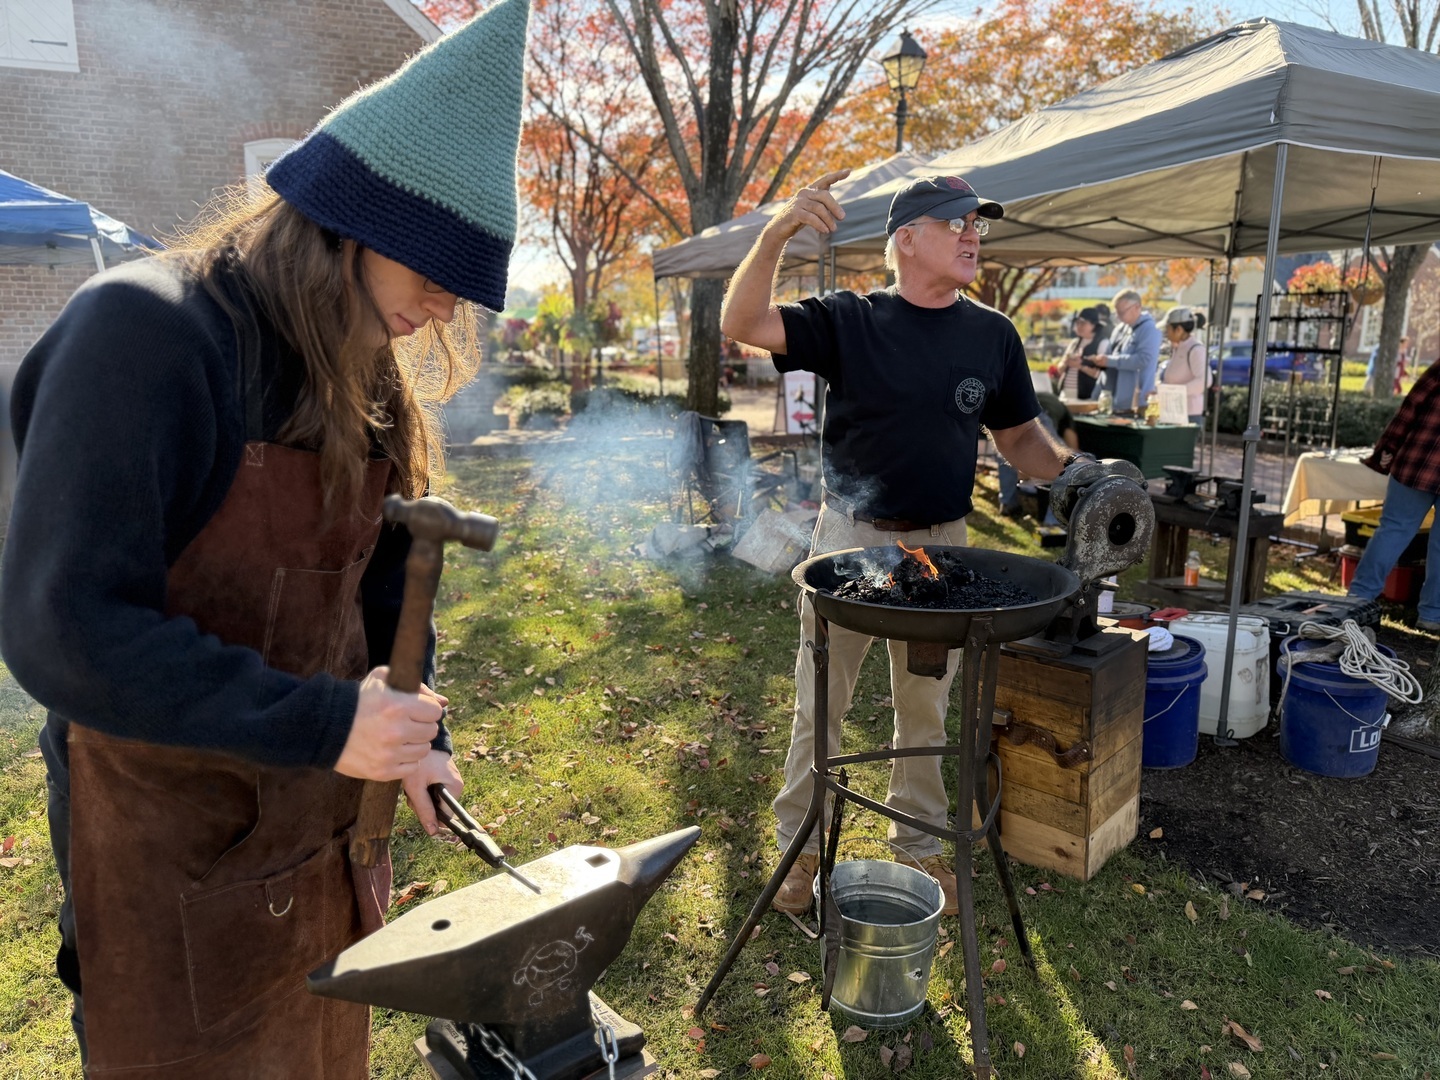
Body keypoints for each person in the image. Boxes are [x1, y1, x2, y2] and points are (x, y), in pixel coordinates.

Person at [0, 3, 529, 1076]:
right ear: (356, 215)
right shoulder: (143, 334)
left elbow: (378, 596)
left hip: (322, 847)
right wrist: (329, 720)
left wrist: (412, 737)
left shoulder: (357, 372)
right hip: (165, 846)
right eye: (434, 268)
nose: (441, 307)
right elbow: (64, 629)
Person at [719, 172, 1081, 916]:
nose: (973, 233)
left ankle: (917, 845)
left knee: (924, 708)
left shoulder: (992, 334)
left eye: (979, 222)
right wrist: (779, 230)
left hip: (943, 551)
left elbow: (1019, 437)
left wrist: (1077, 475)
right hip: (850, 541)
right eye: (956, 222)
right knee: (820, 702)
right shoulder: (850, 319)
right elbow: (744, 321)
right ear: (906, 240)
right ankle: (801, 850)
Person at [1347, 353, 1440, 631]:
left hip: (1418, 459)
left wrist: (1388, 448)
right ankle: (1432, 615)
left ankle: (1358, 598)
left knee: (1393, 530)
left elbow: (1411, 406)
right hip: (1419, 460)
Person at [998, 391, 1080, 518]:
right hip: (1038, 414)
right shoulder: (1066, 416)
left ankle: (1009, 503)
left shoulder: (1048, 400)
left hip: (1014, 406)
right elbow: (1073, 449)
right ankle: (1054, 520)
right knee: (1063, 464)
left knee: (1007, 454)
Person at [1089, 289, 1160, 414]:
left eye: (1121, 312)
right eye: (1116, 312)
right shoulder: (1119, 329)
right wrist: (1096, 394)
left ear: (1137, 307)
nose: (1118, 316)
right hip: (1110, 402)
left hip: (1133, 405)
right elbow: (1107, 362)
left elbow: (1143, 360)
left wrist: (1110, 361)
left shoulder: (1150, 330)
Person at [1159, 306, 1209, 424]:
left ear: (1179, 330)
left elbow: (1204, 381)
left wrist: (1173, 392)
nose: (1166, 333)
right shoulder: (1178, 347)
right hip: (1173, 412)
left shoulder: (1196, 349)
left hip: (1189, 414)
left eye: (1168, 329)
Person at [1060, 305, 1109, 401]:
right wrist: (1066, 362)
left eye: (1083, 323)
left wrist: (1080, 366)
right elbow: (1060, 369)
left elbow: (1102, 374)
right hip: (1066, 395)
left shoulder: (1102, 343)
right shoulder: (1074, 343)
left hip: (1087, 396)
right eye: (1077, 323)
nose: (1079, 326)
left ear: (1093, 325)